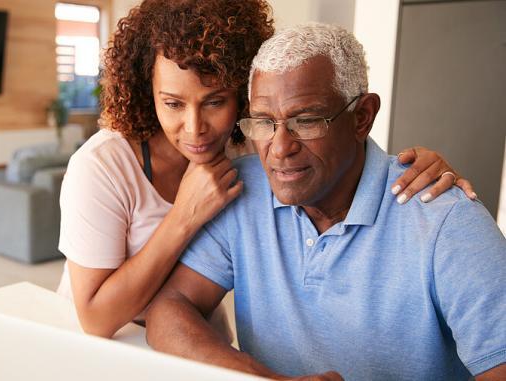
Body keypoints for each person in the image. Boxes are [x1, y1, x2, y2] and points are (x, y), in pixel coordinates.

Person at [56, 0, 476, 340]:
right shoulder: (105, 165)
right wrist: (184, 215)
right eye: (173, 103)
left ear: (242, 94)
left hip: (195, 339)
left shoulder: (254, 141)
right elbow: (95, 318)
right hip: (107, 345)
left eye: (216, 101)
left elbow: (335, 148)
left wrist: (421, 166)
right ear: (147, 93)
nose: (196, 127)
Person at [144, 23, 506, 380]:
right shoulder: (242, 190)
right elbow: (169, 310)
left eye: (306, 120)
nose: (280, 148)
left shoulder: (447, 221)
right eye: (264, 122)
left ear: (362, 117)